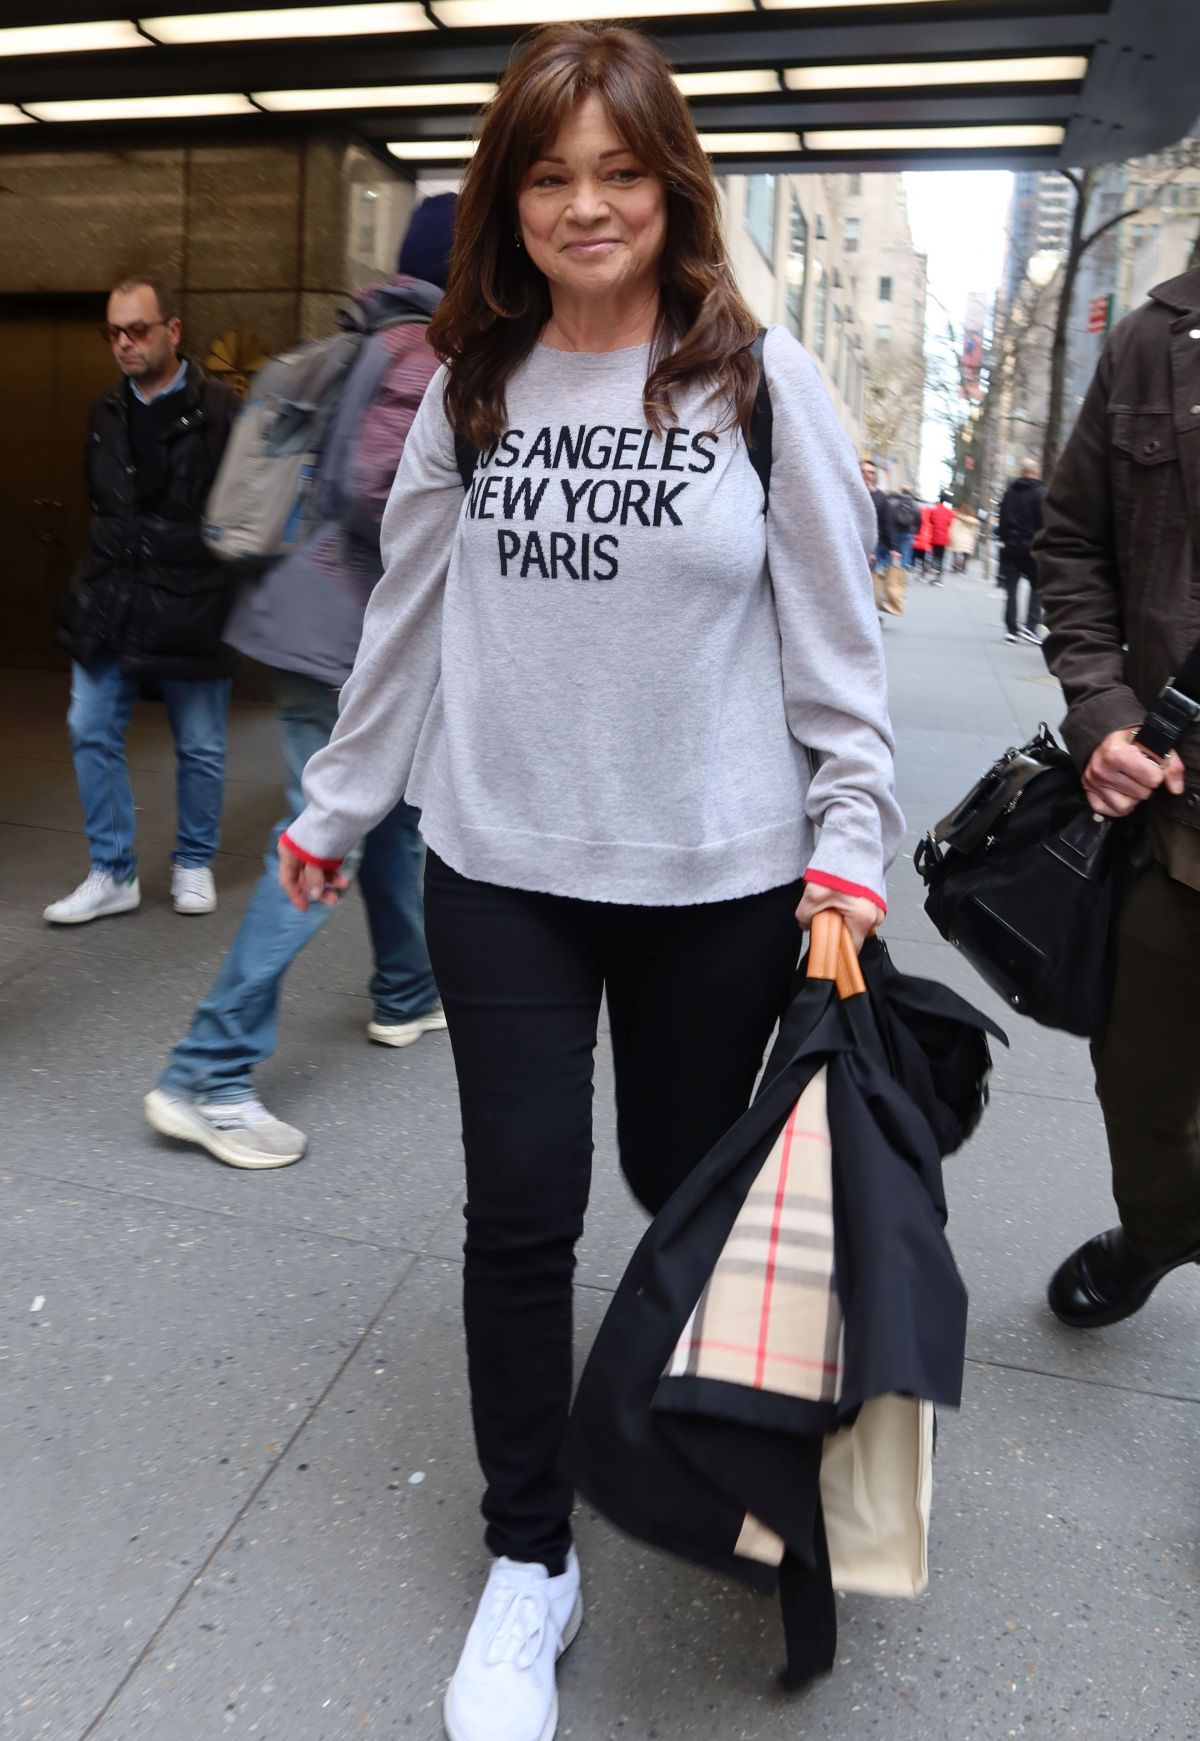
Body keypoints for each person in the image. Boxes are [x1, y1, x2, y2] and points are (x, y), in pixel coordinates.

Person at [278, 26, 901, 1741]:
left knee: (675, 1193)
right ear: (511, 200)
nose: (587, 203)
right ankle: (529, 1557)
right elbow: (402, 623)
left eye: (621, 169)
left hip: (718, 878)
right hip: (504, 869)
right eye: (549, 174)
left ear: (672, 184)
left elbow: (840, 658)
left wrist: (852, 840)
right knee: (524, 1207)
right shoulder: (473, 385)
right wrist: (336, 808)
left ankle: (709, 1444)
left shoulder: (760, 383)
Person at [143, 197, 456, 1169]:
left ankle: (405, 992)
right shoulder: (423, 355)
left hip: (311, 619)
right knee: (320, 840)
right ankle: (209, 1069)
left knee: (392, 817)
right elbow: (381, 492)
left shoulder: (366, 339)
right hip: (346, 636)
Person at [1038, 266, 1200, 1332]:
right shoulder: (1153, 339)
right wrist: (1104, 713)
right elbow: (1073, 544)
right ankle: (1160, 1226)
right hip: (1180, 822)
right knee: (1143, 1091)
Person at [46, 278, 239, 925]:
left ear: (173, 331)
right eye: (114, 333)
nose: (124, 343)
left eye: (137, 330)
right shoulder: (104, 408)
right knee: (88, 727)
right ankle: (113, 871)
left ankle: (192, 861)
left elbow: (241, 510)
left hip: (192, 599)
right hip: (111, 594)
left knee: (201, 744)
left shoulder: (219, 409)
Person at [997, 457, 1046, 644]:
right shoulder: (1041, 493)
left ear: (1021, 472)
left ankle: (1011, 630)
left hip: (1010, 546)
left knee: (1011, 590)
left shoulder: (1009, 493)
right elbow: (1044, 521)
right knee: (1037, 587)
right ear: (1036, 473)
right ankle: (1030, 626)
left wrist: (1004, 538)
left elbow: (1002, 519)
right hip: (1032, 547)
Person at [860, 458, 903, 615]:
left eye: (870, 472)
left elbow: (888, 524)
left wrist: (894, 548)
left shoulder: (880, 498)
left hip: (873, 547)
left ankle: (868, 614)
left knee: (869, 581)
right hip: (849, 544)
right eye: (863, 471)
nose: (866, 475)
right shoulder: (848, 492)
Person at [890, 484, 921, 569]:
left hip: (895, 530)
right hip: (908, 531)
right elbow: (918, 519)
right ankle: (903, 571)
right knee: (906, 551)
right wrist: (915, 531)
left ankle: (890, 569)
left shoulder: (894, 502)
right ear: (910, 492)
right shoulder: (915, 504)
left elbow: (889, 516)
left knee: (892, 550)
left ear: (902, 491)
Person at [927, 492, 954, 582]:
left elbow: (930, 521)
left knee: (934, 556)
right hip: (943, 537)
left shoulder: (934, 510)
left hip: (934, 536)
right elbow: (949, 523)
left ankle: (934, 573)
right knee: (941, 557)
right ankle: (939, 576)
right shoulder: (949, 512)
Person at [948, 504, 978, 573]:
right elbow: (974, 531)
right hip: (968, 539)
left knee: (955, 553)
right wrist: (973, 537)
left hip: (957, 538)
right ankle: (963, 568)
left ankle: (954, 566)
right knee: (965, 555)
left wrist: (951, 537)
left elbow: (953, 527)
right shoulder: (973, 520)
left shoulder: (957, 517)